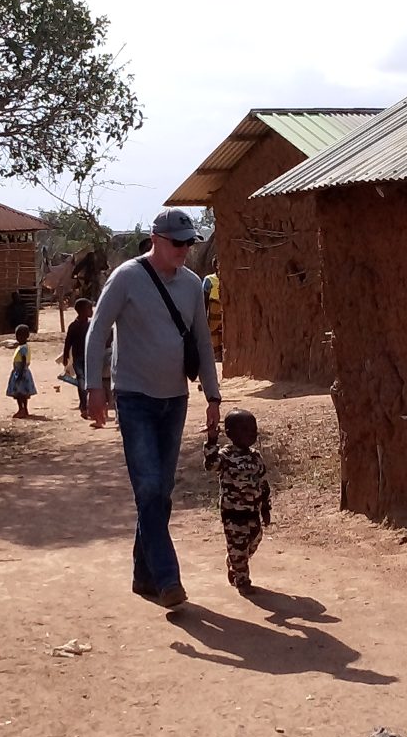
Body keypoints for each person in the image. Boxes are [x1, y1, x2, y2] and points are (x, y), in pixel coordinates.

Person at [85, 208, 222, 610]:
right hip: (134, 398)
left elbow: (203, 342)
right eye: (177, 243)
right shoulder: (127, 277)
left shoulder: (192, 285)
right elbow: (96, 333)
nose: (184, 249)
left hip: (174, 401)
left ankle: (143, 575)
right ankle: (168, 579)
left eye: (189, 242)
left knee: (160, 494)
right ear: (156, 239)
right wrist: (94, 388)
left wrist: (213, 397)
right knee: (147, 488)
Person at [203, 408, 271, 595]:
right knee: (239, 545)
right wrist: (211, 441)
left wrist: (265, 506)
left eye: (253, 430)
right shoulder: (225, 456)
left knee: (255, 539)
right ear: (230, 434)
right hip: (232, 512)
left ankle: (234, 560)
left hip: (252, 510)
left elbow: (263, 482)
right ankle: (242, 579)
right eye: (245, 430)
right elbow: (211, 465)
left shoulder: (256, 456)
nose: (251, 434)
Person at [62, 297, 93, 419]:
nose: (91, 311)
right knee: (81, 381)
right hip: (79, 358)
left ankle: (87, 405)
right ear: (81, 311)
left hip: (90, 357)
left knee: (89, 382)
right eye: (89, 308)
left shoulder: (91, 324)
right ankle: (84, 407)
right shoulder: (74, 326)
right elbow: (68, 342)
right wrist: (65, 357)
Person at [6, 324, 37, 419]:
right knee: (23, 393)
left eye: (20, 336)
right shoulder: (23, 346)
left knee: (19, 393)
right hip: (23, 371)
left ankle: (21, 409)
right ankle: (25, 409)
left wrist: (20, 373)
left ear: (26, 336)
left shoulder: (23, 348)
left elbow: (23, 360)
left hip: (20, 371)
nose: (18, 338)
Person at [203, 256, 223, 362]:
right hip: (213, 309)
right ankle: (217, 355)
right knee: (213, 333)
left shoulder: (228, 279)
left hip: (224, 309)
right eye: (219, 263)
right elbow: (204, 298)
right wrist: (204, 316)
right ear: (215, 266)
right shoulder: (209, 280)